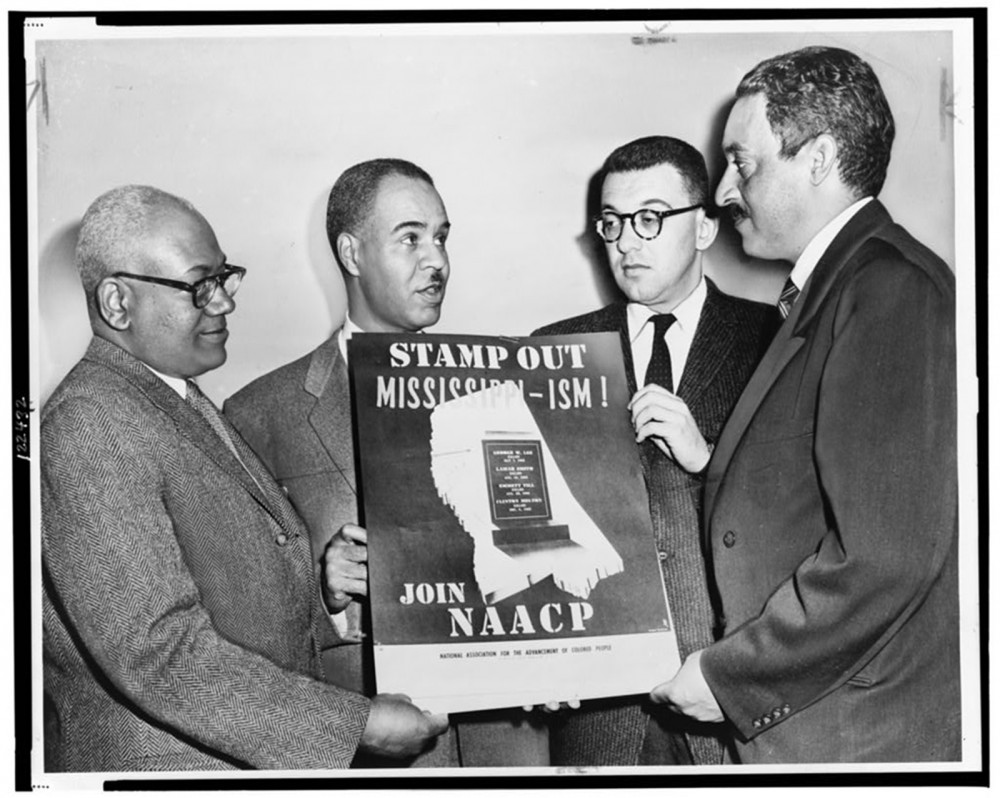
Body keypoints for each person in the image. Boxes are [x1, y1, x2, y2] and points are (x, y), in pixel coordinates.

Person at [41, 185, 448, 772]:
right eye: (199, 285)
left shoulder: (172, 399)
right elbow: (159, 652)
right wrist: (356, 726)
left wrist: (327, 596)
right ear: (117, 303)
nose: (225, 303)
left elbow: (238, 593)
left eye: (225, 277)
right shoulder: (90, 423)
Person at [651, 46, 959, 763]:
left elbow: (884, 556)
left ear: (818, 158)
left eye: (743, 163)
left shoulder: (889, 288)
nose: (724, 190)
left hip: (854, 739)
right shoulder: (835, 288)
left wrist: (731, 678)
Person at [225, 158, 549, 767]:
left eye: (442, 237)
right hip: (372, 753)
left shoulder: (506, 386)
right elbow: (239, 627)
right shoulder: (259, 416)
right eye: (411, 238)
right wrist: (324, 592)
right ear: (350, 252)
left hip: (508, 746)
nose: (438, 261)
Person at [533, 136, 777, 766]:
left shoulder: (774, 339)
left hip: (727, 698)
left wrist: (710, 457)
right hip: (595, 710)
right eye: (612, 223)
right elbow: (530, 519)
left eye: (649, 218)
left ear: (702, 228)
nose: (626, 242)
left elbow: (808, 508)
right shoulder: (553, 349)